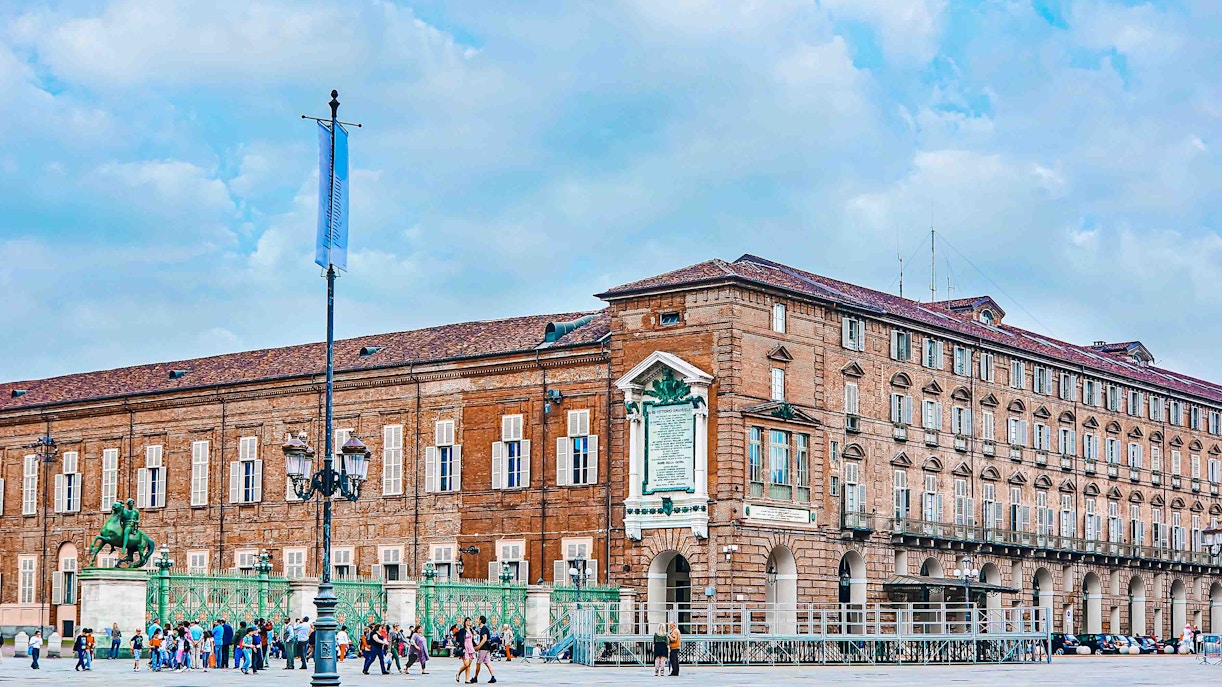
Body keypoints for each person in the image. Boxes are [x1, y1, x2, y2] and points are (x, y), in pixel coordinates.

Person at [470, 615, 497, 684]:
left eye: (478, 620)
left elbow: (484, 638)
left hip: (483, 648)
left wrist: (479, 646)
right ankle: (493, 676)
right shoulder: (484, 629)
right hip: (487, 648)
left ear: (481, 621)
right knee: (487, 663)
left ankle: (475, 677)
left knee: (478, 663)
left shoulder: (484, 629)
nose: (477, 621)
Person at [455, 617, 475, 684]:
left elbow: (472, 640)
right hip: (465, 648)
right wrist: (462, 647)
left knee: (469, 665)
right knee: (466, 664)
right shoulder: (462, 630)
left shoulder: (471, 630)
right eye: (468, 621)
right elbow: (460, 639)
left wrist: (476, 646)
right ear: (465, 622)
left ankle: (467, 679)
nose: (469, 622)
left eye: (470, 621)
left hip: (471, 648)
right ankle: (458, 674)